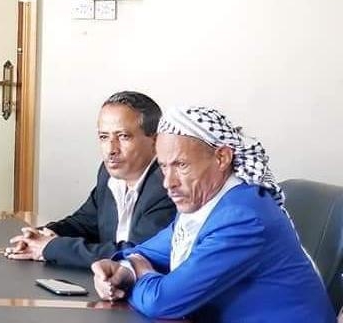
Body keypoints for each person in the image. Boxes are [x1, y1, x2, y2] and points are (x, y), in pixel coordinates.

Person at [91, 106, 335, 323]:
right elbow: (147, 252)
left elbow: (161, 302)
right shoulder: (205, 205)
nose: (168, 183)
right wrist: (125, 269)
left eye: (181, 165)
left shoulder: (242, 217)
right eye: (164, 167)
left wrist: (140, 275)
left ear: (222, 158)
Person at [4, 91, 175, 268]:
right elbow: (84, 223)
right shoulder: (108, 173)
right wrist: (40, 236)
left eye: (123, 136)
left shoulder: (168, 185)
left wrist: (51, 247)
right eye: (104, 137)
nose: (111, 149)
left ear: (156, 141)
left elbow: (137, 254)